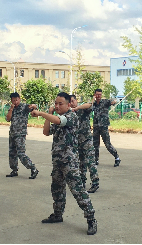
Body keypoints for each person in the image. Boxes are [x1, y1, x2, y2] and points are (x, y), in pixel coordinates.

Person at [30, 92, 97, 235]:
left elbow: (59, 121)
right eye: (56, 103)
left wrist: (41, 113)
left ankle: (91, 218)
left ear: (68, 105)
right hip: (58, 161)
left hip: (70, 163)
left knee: (78, 191)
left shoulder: (71, 116)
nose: (57, 106)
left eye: (61, 104)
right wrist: (48, 113)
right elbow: (46, 132)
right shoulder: (56, 117)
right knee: (57, 189)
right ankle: (57, 214)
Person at [5, 92, 39, 179]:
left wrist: (34, 106)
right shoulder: (11, 109)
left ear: (19, 99)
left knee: (21, 153)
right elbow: (8, 119)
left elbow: (34, 107)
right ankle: (14, 170)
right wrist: (11, 109)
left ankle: (33, 168)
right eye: (13, 101)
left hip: (20, 134)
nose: (15, 102)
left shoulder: (24, 107)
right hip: (12, 133)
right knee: (12, 153)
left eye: (16, 100)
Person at [70, 94, 100, 193]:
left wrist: (77, 107)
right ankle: (82, 182)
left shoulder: (82, 109)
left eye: (73, 101)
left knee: (90, 162)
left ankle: (95, 182)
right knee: (80, 163)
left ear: (76, 101)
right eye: (69, 102)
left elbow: (89, 105)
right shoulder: (69, 113)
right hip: (77, 142)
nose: (72, 103)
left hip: (87, 140)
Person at [92, 88, 121, 167]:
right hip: (96, 126)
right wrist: (92, 100)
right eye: (97, 94)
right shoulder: (93, 104)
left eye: (100, 94)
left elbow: (115, 100)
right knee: (95, 144)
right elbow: (89, 108)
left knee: (107, 144)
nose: (98, 96)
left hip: (104, 126)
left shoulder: (105, 102)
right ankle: (96, 160)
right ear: (95, 95)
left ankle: (117, 157)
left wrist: (114, 101)